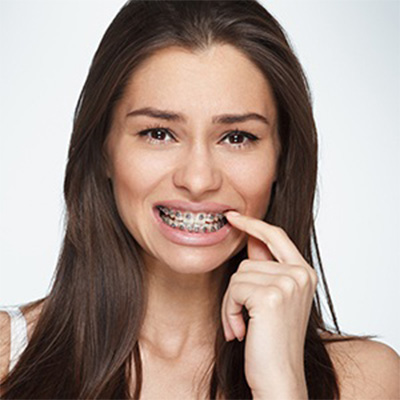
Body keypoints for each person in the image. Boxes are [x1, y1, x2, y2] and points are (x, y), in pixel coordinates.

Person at [0, 0, 398, 398]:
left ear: (282, 158)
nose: (197, 179)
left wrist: (282, 386)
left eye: (237, 137)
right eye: (158, 133)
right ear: (104, 149)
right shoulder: (6, 360)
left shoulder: (365, 380)